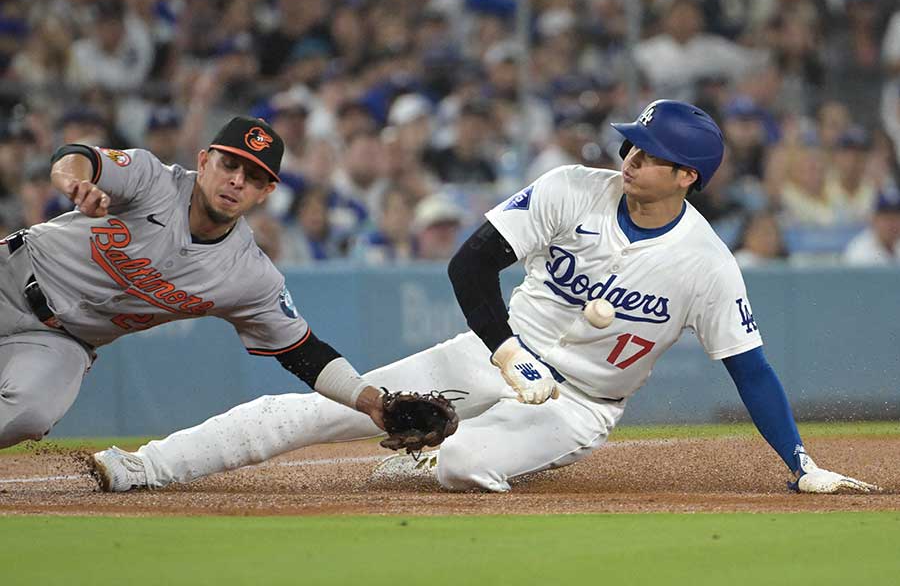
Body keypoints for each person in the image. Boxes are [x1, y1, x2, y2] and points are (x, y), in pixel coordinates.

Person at [92, 101, 879, 495]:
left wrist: (802, 464)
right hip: (490, 353)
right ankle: (143, 468)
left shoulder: (706, 265)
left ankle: (431, 457)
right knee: (312, 411)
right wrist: (503, 352)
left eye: (655, 154)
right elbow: (471, 266)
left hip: (578, 406)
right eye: (632, 144)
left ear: (688, 177)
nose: (633, 157)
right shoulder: (575, 189)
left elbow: (751, 370)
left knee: (460, 462)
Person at [0, 116, 395, 451]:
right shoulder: (152, 180)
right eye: (230, 165)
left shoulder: (248, 274)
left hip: (62, 342)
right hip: (13, 274)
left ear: (266, 192)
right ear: (204, 162)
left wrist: (373, 401)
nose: (237, 181)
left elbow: (302, 350)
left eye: (254, 177)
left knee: (29, 413)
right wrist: (74, 183)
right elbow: (77, 156)